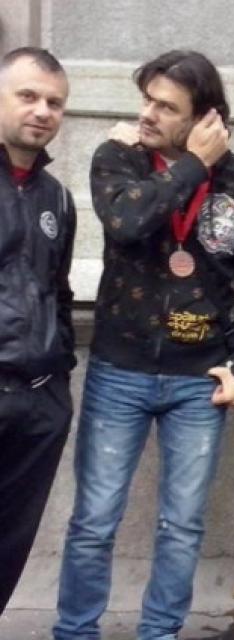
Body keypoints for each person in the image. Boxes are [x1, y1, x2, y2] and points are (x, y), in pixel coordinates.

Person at [53, 50, 234, 640]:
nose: (148, 114)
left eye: (166, 106)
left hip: (199, 380)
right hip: (118, 370)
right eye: (147, 100)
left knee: (181, 526)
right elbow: (127, 221)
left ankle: (159, 632)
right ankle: (74, 632)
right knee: (94, 521)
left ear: (204, 117)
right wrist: (193, 166)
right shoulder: (119, 158)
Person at [0, 46, 75, 616]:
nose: (42, 111)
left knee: (8, 548)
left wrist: (58, 389)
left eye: (54, 101)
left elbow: (59, 291)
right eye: (27, 96)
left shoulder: (58, 198)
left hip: (39, 403)